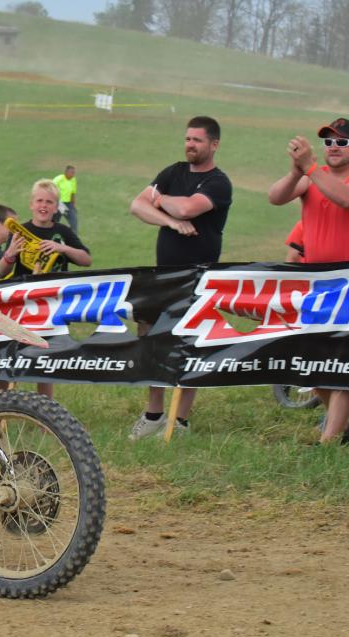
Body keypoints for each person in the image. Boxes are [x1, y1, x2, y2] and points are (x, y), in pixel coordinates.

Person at [268, 117, 349, 444]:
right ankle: (340, 425)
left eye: (341, 142)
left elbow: (346, 198)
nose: (333, 147)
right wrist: (296, 171)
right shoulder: (312, 178)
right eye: (328, 142)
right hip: (315, 286)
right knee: (311, 365)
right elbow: (275, 197)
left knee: (341, 364)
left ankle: (330, 440)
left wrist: (310, 167)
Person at [128, 115, 233, 440]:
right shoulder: (172, 172)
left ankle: (181, 420)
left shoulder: (218, 182)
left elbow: (188, 208)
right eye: (188, 139)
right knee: (152, 340)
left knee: (189, 344)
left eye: (197, 140)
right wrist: (169, 221)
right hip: (162, 275)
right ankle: (154, 414)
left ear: (214, 144)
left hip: (198, 278)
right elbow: (137, 206)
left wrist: (160, 200)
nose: (190, 145)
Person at [0, 180, 91, 398]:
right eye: (39, 201)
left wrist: (62, 248)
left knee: (45, 358)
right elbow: (1, 271)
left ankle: (45, 405)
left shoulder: (63, 232)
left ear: (56, 207)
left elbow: (86, 259)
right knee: (8, 354)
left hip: (51, 305)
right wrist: (9, 255)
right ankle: (0, 402)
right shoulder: (20, 231)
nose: (44, 206)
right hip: (21, 303)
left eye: (49, 202)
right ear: (31, 204)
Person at [52, 165, 78, 232]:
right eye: (71, 172)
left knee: (74, 221)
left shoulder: (73, 180)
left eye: (74, 173)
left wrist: (73, 204)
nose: (73, 174)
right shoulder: (58, 179)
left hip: (68, 203)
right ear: (66, 172)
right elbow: (50, 189)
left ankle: (73, 237)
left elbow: (73, 192)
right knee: (54, 221)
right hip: (58, 203)